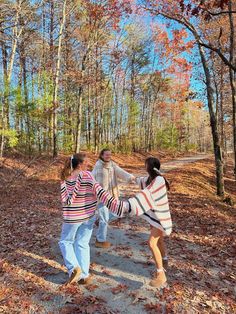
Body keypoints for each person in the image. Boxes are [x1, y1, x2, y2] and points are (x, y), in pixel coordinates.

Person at [59, 153, 128, 285]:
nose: (88, 165)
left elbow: (65, 199)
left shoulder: (65, 178)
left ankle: (74, 268)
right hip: (87, 216)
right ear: (79, 165)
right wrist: (118, 206)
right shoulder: (87, 175)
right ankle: (83, 274)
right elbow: (100, 192)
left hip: (72, 217)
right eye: (86, 163)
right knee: (81, 243)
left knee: (66, 242)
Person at [128, 157, 172, 288]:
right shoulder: (149, 179)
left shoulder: (158, 180)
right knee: (159, 241)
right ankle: (164, 261)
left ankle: (161, 275)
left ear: (150, 166)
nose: (144, 166)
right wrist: (121, 172)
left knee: (151, 242)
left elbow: (147, 193)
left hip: (161, 217)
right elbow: (137, 180)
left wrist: (131, 204)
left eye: (145, 164)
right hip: (155, 216)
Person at [92, 148, 135, 248]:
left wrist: (129, 177)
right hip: (102, 197)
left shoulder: (112, 164)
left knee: (117, 213)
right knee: (104, 219)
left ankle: (99, 221)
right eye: (106, 155)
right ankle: (100, 240)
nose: (108, 156)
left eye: (109, 155)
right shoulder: (98, 166)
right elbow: (92, 179)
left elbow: (121, 172)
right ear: (102, 155)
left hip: (112, 195)